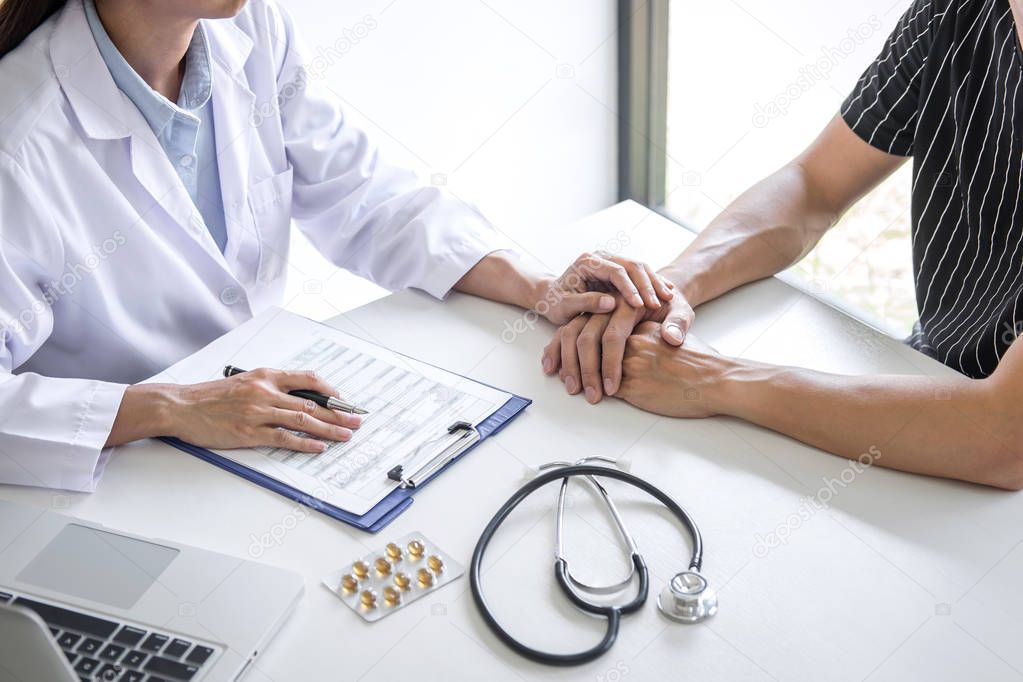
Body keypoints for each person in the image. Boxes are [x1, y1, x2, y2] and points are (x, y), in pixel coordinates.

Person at [0, 0, 672, 492]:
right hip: (110, 478)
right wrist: (173, 407)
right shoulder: (17, 140)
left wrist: (536, 287)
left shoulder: (250, 31)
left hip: (251, 440)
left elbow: (366, 197)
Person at [543, 0, 1023, 490]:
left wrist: (712, 379)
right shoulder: (957, 12)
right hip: (929, 380)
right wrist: (665, 292)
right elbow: (814, 187)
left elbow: (1004, 439)